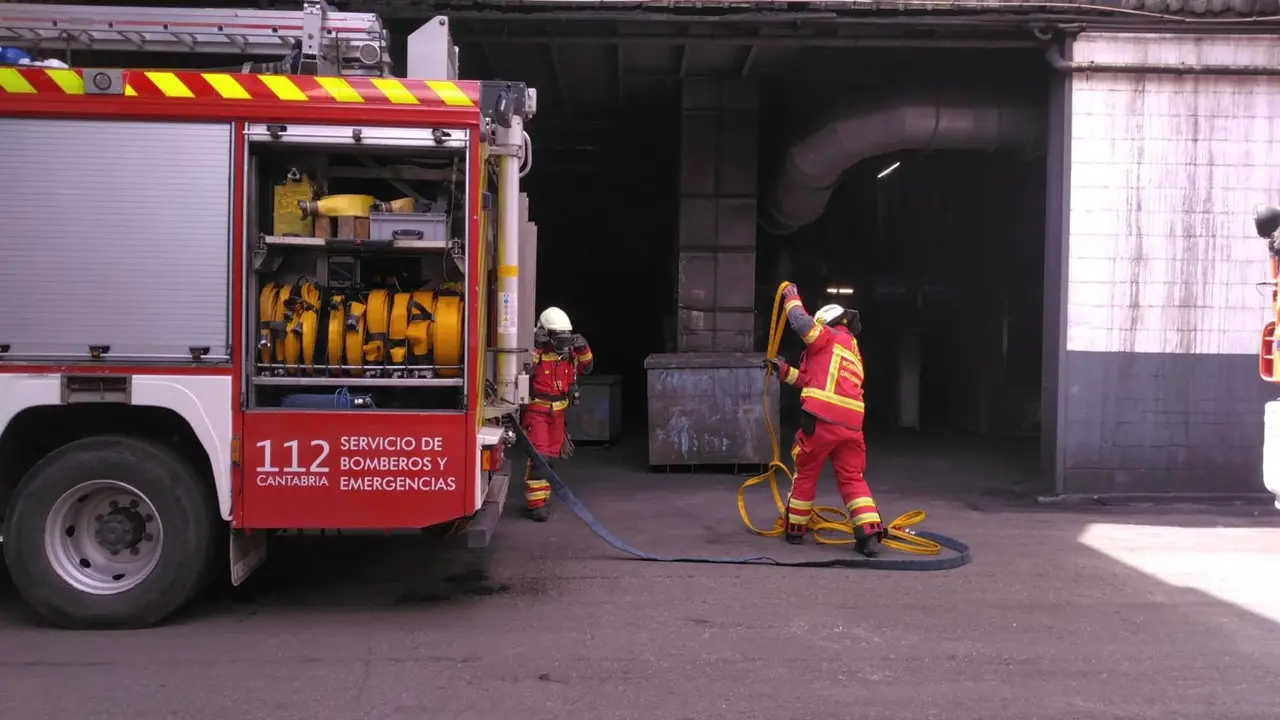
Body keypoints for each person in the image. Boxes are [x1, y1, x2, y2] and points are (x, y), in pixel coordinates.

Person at [765, 283, 883, 557]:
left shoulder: (827, 336)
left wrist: (790, 295)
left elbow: (800, 323)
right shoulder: (851, 350)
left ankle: (795, 529)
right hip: (852, 426)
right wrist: (782, 370)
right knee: (852, 477)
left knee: (805, 471)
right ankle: (868, 534)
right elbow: (809, 380)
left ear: (826, 322)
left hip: (821, 419)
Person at [522, 306, 593, 521]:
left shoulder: (569, 353)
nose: (562, 341)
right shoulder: (537, 352)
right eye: (557, 336)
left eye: (565, 336)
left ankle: (543, 497)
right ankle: (536, 505)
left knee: (551, 457)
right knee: (540, 457)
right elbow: (524, 370)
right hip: (537, 411)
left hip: (558, 414)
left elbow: (586, 368)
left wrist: (584, 349)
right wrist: (535, 345)